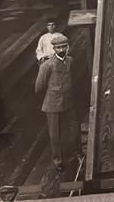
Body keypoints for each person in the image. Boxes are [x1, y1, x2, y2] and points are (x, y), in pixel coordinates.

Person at [35, 33, 79, 171]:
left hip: (69, 101)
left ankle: (78, 154)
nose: (61, 50)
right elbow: (39, 87)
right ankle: (58, 160)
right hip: (52, 104)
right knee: (55, 134)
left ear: (67, 47)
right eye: (58, 47)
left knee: (75, 129)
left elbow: (74, 78)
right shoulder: (47, 65)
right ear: (54, 49)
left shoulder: (71, 61)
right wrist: (49, 97)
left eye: (63, 47)